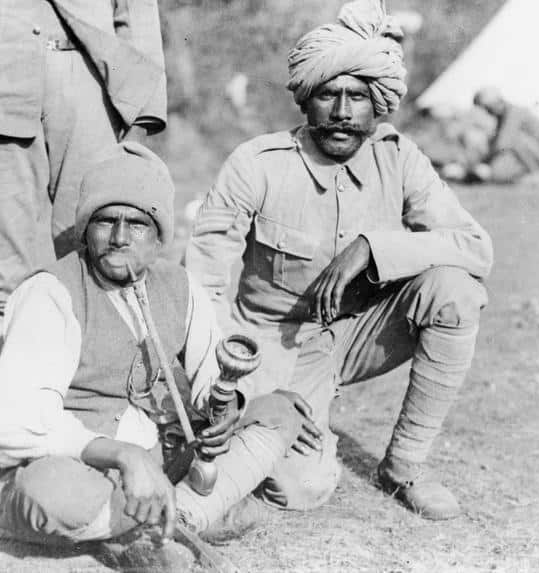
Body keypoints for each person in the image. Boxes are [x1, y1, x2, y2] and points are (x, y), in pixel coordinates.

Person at [185, 0, 493, 521]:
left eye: (358, 97)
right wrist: (235, 387)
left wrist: (374, 248)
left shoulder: (398, 157)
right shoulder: (257, 164)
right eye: (328, 94)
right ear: (306, 102)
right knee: (298, 486)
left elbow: (474, 245)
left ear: (379, 107)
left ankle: (405, 467)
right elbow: (204, 284)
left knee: (455, 291)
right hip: (273, 343)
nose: (343, 112)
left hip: (360, 334)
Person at [0, 142, 304, 560]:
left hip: (161, 458)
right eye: (105, 222)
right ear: (85, 229)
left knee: (281, 410)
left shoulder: (180, 287)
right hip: (78, 465)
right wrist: (123, 455)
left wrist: (223, 411)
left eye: (136, 224)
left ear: (158, 237)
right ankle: (168, 525)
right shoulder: (51, 293)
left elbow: (211, 372)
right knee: (53, 494)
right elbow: (15, 423)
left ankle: (175, 517)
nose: (118, 238)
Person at [0, 0, 168, 378]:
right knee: (1, 277)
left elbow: (137, 11)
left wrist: (142, 117)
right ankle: (15, 426)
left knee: (100, 260)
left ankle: (95, 414)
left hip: (93, 88)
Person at [444, 86, 539, 184]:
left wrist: (483, 162)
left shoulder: (515, 113)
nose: (487, 113)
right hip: (524, 153)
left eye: (487, 109)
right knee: (499, 170)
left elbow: (503, 143)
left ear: (496, 104)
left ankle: (537, 173)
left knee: (515, 141)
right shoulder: (502, 118)